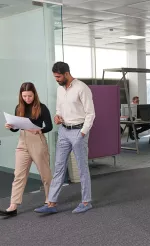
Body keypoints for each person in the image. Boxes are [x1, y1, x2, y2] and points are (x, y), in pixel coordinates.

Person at [34, 62, 95, 214]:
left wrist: (82, 133)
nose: (57, 79)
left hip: (78, 131)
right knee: (59, 167)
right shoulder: (60, 89)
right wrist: (57, 116)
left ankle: (86, 201)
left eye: (58, 76)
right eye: (55, 76)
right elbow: (59, 108)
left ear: (67, 73)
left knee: (82, 168)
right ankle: (51, 204)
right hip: (63, 131)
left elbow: (91, 114)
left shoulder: (82, 88)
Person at [0, 82, 53, 217]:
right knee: (19, 174)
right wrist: (11, 126)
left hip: (37, 140)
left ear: (34, 94)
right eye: (24, 96)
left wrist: (39, 130)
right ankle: (13, 206)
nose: (27, 99)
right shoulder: (19, 107)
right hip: (22, 141)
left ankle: (50, 201)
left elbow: (49, 126)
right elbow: (16, 127)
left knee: (45, 173)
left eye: (29, 96)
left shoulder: (42, 108)